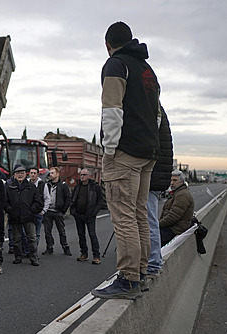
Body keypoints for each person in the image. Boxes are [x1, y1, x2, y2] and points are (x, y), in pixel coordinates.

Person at [92, 21, 160, 300]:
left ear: (107, 44)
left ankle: (128, 278)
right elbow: (157, 115)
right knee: (139, 213)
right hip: (148, 152)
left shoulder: (115, 65)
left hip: (125, 152)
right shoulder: (147, 70)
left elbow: (111, 110)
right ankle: (141, 272)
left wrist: (109, 150)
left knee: (123, 217)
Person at [147, 106, 174, 277]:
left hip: (151, 176)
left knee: (148, 222)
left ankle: (152, 264)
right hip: (156, 176)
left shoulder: (152, 109)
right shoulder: (158, 111)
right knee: (149, 221)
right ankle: (152, 262)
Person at [5, 164, 43, 266]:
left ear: (26, 175)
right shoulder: (9, 187)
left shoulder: (31, 187)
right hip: (15, 216)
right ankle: (18, 257)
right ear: (14, 175)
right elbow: (5, 201)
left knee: (31, 238)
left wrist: (32, 210)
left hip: (29, 217)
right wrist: (10, 210)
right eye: (18, 173)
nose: (20, 175)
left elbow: (38, 201)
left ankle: (33, 257)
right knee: (16, 239)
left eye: (22, 173)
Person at [70, 168, 104, 264]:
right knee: (81, 235)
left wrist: (94, 212)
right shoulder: (78, 187)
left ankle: (96, 256)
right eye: (81, 175)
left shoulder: (95, 187)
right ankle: (84, 254)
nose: (82, 177)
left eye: (84, 175)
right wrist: (74, 212)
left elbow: (100, 201)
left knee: (92, 234)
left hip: (90, 215)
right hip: (79, 215)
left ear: (89, 176)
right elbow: (73, 200)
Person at [40, 167, 72, 256]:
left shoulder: (63, 185)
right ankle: (49, 247)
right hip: (48, 211)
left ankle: (65, 246)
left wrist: (63, 210)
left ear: (57, 174)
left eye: (52, 173)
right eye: (50, 173)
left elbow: (68, 198)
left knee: (61, 230)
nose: (50, 175)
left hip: (58, 211)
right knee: (47, 231)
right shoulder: (47, 185)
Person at [159, 170, 194, 246]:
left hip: (174, 230)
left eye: (175, 180)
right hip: (171, 228)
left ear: (182, 181)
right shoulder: (177, 193)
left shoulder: (182, 195)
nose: (172, 183)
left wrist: (157, 224)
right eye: (171, 180)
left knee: (150, 240)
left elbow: (172, 217)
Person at [27, 168, 50, 248]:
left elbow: (47, 198)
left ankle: (34, 252)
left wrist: (43, 211)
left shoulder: (42, 185)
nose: (33, 174)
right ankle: (27, 251)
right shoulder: (26, 183)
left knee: (36, 234)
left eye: (34, 173)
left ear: (37, 174)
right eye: (31, 173)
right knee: (26, 234)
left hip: (38, 213)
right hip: (28, 213)